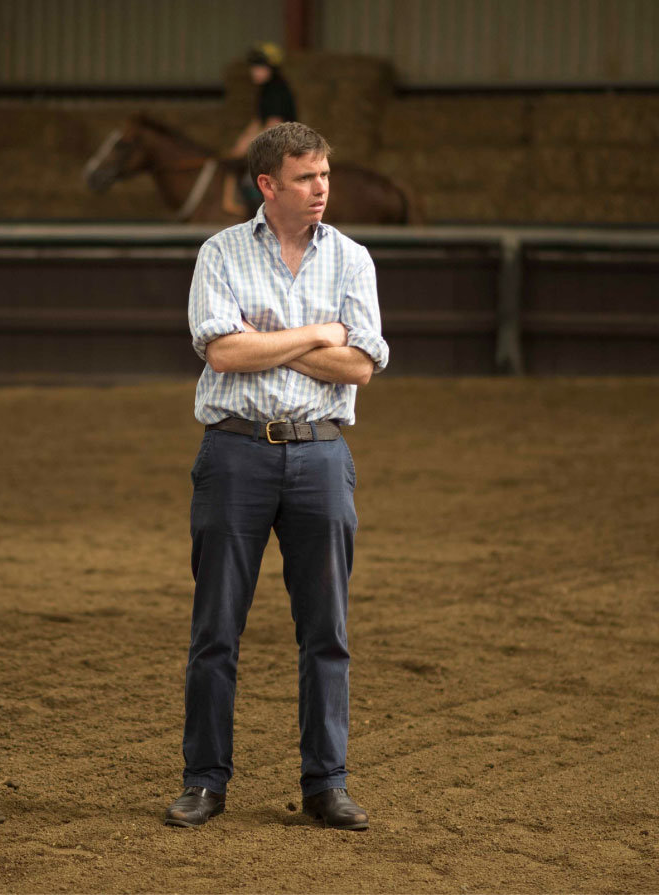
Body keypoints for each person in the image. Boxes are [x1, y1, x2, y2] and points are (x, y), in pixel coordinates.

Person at [166, 122, 388, 831]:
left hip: (321, 454)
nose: (320, 188)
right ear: (267, 184)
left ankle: (327, 783)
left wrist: (264, 342)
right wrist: (319, 334)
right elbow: (222, 353)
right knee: (216, 628)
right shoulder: (220, 251)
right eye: (304, 178)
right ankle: (204, 781)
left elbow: (362, 365)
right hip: (235, 452)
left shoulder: (352, 258)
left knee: (327, 629)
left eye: (324, 175)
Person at [223, 43, 299, 217]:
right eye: (254, 67)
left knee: (251, 182)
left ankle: (266, 220)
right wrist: (238, 147)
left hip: (282, 149)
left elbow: (273, 126)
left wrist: (248, 147)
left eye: (260, 67)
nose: (254, 71)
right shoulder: (265, 91)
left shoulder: (277, 92)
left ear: (272, 69)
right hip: (271, 148)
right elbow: (258, 123)